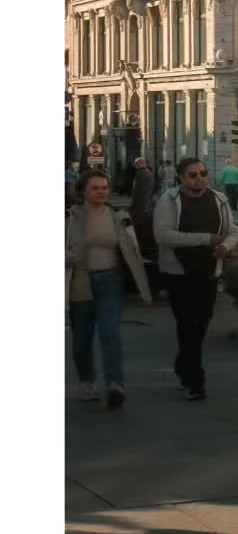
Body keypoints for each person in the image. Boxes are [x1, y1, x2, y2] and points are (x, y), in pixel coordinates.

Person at [65, 170, 152, 409]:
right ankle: (87, 381)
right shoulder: (70, 217)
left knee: (110, 333)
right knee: (82, 338)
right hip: (81, 281)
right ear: (83, 191)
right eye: (95, 188)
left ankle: (115, 384)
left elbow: (131, 249)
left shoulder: (117, 216)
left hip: (110, 280)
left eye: (104, 187)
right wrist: (69, 256)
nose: (101, 192)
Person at [154, 156, 236, 401]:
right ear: (180, 178)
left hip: (209, 270)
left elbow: (231, 231)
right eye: (192, 175)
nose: (199, 179)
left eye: (202, 173)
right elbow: (163, 235)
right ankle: (195, 380)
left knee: (202, 322)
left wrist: (226, 247)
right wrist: (203, 239)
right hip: (178, 272)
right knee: (188, 324)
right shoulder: (169, 200)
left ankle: (183, 364)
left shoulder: (219, 199)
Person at [128, 156, 157, 263]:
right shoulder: (148, 173)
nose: (134, 166)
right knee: (146, 231)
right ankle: (148, 251)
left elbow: (139, 193)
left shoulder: (141, 174)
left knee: (141, 231)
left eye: (136, 164)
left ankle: (146, 253)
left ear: (140, 164)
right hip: (147, 207)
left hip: (142, 208)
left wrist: (134, 207)